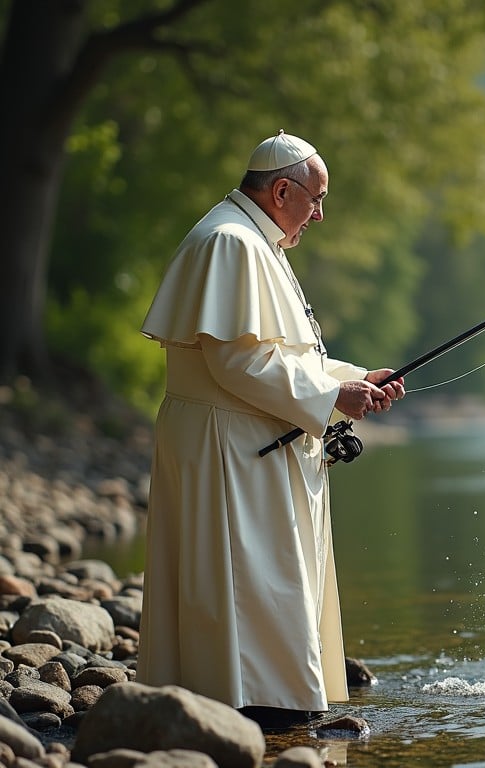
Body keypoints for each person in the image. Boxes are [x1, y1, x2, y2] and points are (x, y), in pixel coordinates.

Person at [136, 131, 404, 730]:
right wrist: (332, 396)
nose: (321, 213)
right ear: (282, 189)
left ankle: (264, 702)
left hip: (242, 440)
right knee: (250, 580)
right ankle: (253, 708)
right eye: (316, 198)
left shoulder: (258, 239)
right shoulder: (231, 243)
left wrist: (357, 378)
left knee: (263, 579)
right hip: (227, 446)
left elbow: (285, 355)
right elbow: (236, 361)